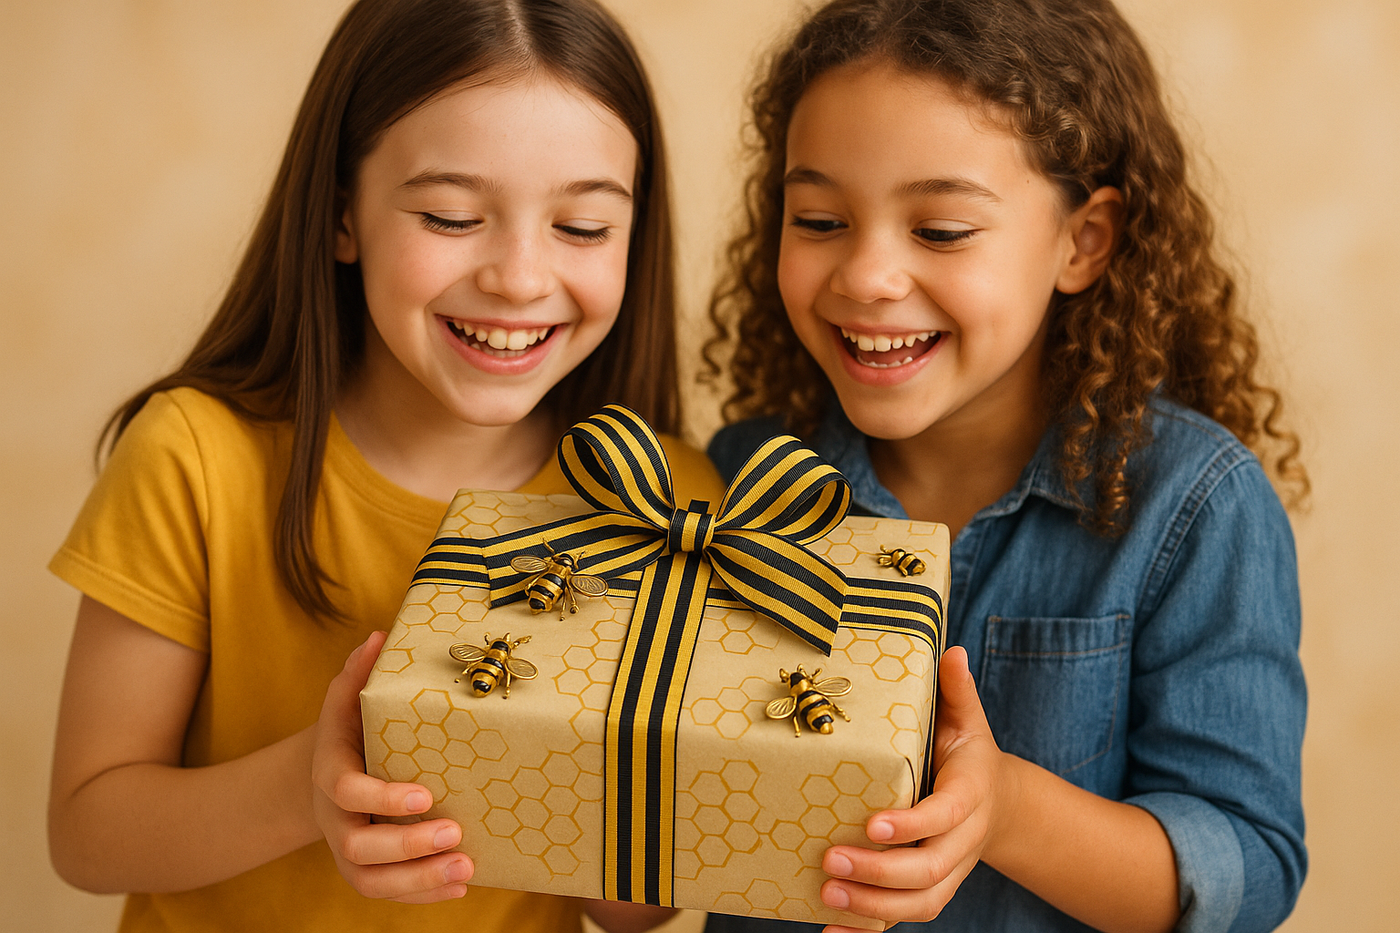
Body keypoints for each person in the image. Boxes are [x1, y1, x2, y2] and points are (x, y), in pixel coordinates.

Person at [46, 1, 720, 932]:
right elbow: (87, 832)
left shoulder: (675, 507)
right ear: (341, 215)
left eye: (583, 227)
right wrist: (310, 785)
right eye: (451, 216)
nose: (520, 278)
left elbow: (628, 913)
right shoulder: (196, 457)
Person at [702, 0, 1308, 931]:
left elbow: (1247, 865)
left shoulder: (1194, 507)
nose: (865, 275)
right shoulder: (738, 479)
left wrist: (1007, 810)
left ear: (1083, 241)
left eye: (941, 230)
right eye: (819, 218)